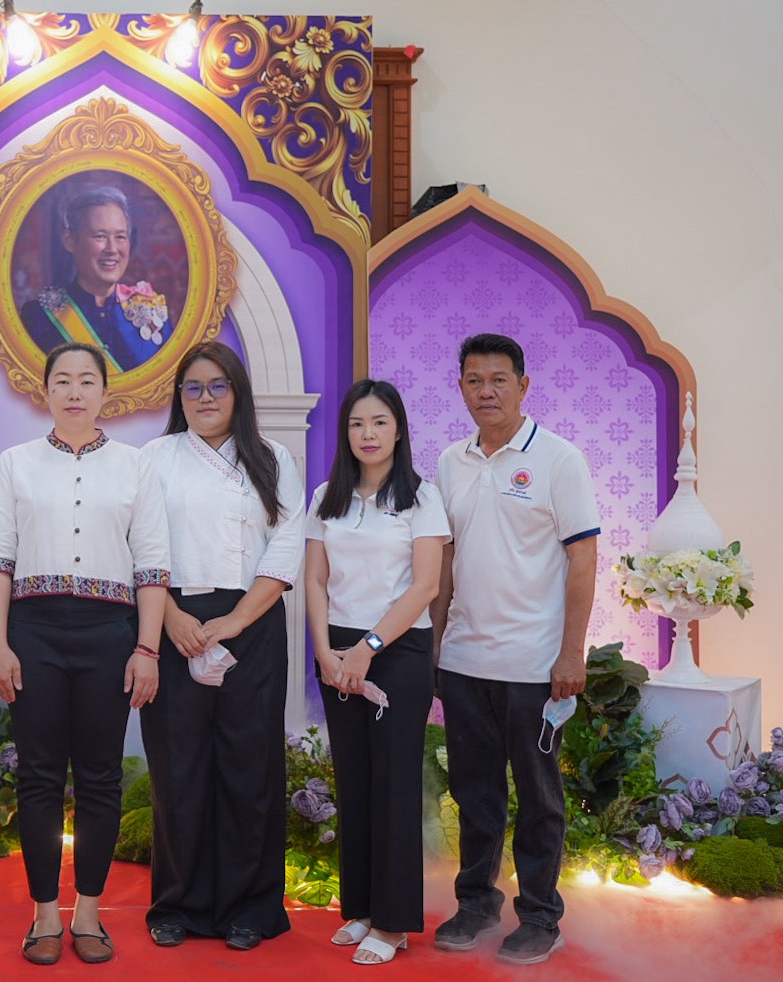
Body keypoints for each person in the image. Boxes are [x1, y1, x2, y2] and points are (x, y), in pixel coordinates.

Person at [0, 342, 170, 966]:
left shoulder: (135, 466)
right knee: (38, 776)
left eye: (86, 380)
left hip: (110, 633)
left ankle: (88, 913)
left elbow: (152, 564)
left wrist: (147, 649)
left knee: (100, 776)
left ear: (104, 392)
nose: (73, 392)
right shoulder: (14, 463)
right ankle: (43, 915)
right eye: (61, 380)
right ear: (44, 390)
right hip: (32, 631)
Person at [430, 333, 599, 966]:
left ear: (523, 386)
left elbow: (583, 559)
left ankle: (540, 917)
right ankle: (476, 905)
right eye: (474, 380)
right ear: (461, 388)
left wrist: (571, 653)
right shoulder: (451, 462)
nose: (487, 391)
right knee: (475, 794)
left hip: (534, 665)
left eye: (499, 379)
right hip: (464, 660)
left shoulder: (559, 459)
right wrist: (436, 645)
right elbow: (445, 562)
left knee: (538, 799)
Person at [139, 341, 304, 952]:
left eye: (217, 386)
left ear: (239, 392)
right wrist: (171, 618)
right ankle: (176, 904)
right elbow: (138, 544)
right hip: (173, 618)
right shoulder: (154, 458)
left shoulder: (272, 458)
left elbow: (288, 542)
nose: (205, 398)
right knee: (178, 767)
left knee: (248, 765)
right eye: (193, 387)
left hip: (251, 621)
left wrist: (236, 618)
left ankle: (248, 907)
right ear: (179, 397)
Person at [306, 379, 450, 966]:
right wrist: (324, 650)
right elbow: (315, 579)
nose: (368, 434)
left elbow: (426, 586)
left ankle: (393, 924)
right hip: (337, 649)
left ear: (398, 430)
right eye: (357, 423)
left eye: (379, 422)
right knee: (354, 779)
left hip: (398, 649)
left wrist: (368, 646)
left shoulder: (421, 497)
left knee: (393, 783)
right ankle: (362, 910)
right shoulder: (327, 497)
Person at [19, 186, 173, 373]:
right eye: (100, 236)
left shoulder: (153, 313)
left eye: (120, 237)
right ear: (69, 241)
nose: (112, 249)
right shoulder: (40, 318)